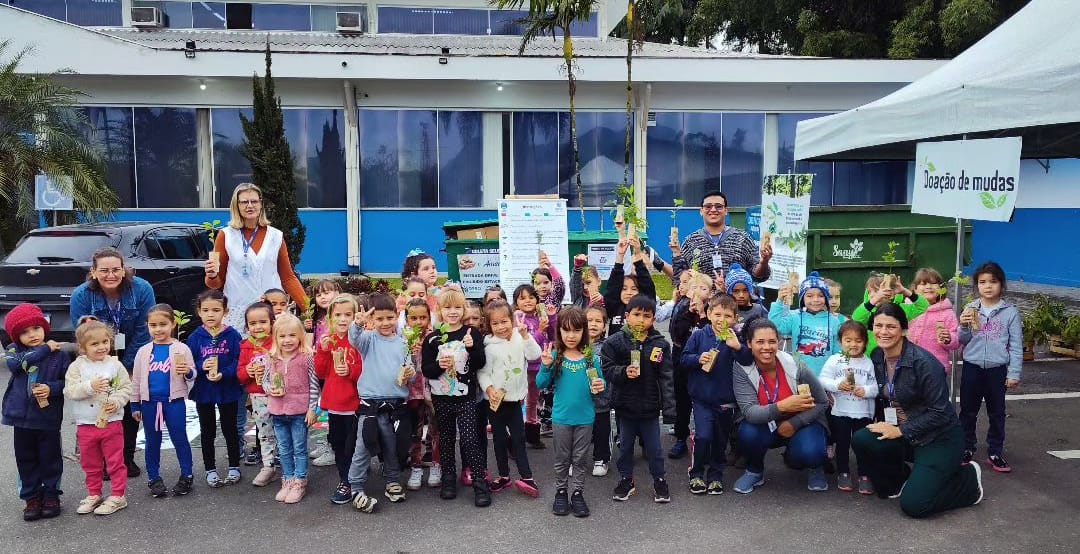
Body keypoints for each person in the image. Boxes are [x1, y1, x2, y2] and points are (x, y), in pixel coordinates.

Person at [852, 303, 984, 518]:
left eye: (891, 327)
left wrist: (900, 430)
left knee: (915, 505)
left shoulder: (924, 363)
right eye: (878, 325)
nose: (883, 332)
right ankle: (898, 481)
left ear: (904, 330)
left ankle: (968, 480)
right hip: (906, 432)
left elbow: (940, 412)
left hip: (938, 438)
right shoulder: (877, 356)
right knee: (862, 439)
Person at [71, 246, 156, 478]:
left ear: (124, 269)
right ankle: (102, 461)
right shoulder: (81, 295)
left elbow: (144, 331)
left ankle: (125, 458)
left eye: (116, 270)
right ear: (94, 272)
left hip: (132, 351)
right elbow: (83, 334)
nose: (111, 275)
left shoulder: (142, 289)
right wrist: (105, 365)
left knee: (128, 405)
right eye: (104, 270)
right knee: (100, 402)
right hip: (96, 353)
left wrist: (125, 367)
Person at [732, 318, 830, 494]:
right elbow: (749, 411)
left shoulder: (795, 365)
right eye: (760, 342)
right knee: (748, 432)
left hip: (801, 422)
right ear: (749, 344)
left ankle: (814, 467)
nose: (767, 347)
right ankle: (755, 470)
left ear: (779, 342)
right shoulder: (741, 368)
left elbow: (822, 401)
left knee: (811, 452)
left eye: (772, 341)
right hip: (765, 424)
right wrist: (783, 406)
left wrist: (795, 423)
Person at [203, 182, 308, 332]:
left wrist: (308, 310)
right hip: (238, 311)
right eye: (244, 202)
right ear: (236, 206)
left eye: (254, 201)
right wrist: (212, 275)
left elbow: (288, 278)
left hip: (271, 311)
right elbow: (216, 283)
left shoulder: (275, 236)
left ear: (261, 204)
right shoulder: (225, 235)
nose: (250, 206)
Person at [601, 295, 675, 504]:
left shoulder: (660, 344)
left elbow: (667, 378)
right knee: (625, 447)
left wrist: (669, 410)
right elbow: (607, 369)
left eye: (646, 316)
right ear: (627, 316)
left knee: (655, 448)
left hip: (650, 407)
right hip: (625, 406)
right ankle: (626, 479)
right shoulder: (615, 342)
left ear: (654, 319)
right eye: (636, 315)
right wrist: (623, 371)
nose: (641, 320)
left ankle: (659, 479)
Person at [346, 293, 415, 512]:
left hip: (395, 405)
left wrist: (411, 373)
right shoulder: (368, 339)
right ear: (372, 320)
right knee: (364, 446)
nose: (385, 323)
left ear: (397, 316)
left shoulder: (404, 342)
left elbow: (410, 371)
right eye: (379, 319)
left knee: (393, 446)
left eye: (390, 318)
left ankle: (392, 480)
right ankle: (355, 486)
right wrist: (358, 323)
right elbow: (353, 339)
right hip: (371, 406)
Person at [420, 288, 489, 506]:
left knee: (470, 440)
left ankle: (479, 482)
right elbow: (427, 370)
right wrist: (439, 365)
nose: (453, 312)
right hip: (441, 399)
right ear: (439, 310)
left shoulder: (471, 333)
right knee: (446, 439)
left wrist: (472, 349)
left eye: (457, 307)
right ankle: (448, 479)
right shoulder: (433, 338)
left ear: (464, 309)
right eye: (447, 307)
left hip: (466, 398)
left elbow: (479, 363)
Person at [679, 294, 752, 495]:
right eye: (717, 314)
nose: (722, 319)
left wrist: (737, 347)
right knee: (703, 436)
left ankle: (716, 475)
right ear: (709, 314)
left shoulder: (735, 338)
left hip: (726, 401)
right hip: (701, 398)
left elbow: (747, 361)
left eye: (727, 316)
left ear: (735, 318)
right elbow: (683, 360)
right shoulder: (699, 336)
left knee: (720, 440)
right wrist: (697, 358)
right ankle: (696, 473)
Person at [3, 303, 69, 520]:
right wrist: (45, 349)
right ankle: (31, 497)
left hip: (48, 418)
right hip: (21, 419)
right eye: (25, 332)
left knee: (51, 459)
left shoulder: (59, 355)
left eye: (36, 328)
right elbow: (17, 366)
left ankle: (51, 494)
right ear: (16, 336)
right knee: (26, 460)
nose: (32, 334)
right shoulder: (14, 351)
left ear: (44, 327)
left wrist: (52, 388)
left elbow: (67, 382)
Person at [538, 307, 605, 517]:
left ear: (583, 331)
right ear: (559, 331)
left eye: (576, 330)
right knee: (561, 459)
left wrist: (599, 384)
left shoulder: (590, 358)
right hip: (561, 419)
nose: (571, 335)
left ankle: (577, 493)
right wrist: (545, 366)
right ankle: (561, 492)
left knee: (580, 459)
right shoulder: (556, 356)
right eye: (566, 330)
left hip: (585, 418)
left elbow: (599, 382)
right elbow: (541, 383)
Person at [959, 261, 1023, 472]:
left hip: (997, 370)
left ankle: (995, 451)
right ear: (977, 285)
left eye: (993, 282)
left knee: (997, 412)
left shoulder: (1010, 312)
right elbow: (963, 339)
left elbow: (1016, 345)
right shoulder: (971, 308)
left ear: (1001, 285)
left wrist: (1013, 373)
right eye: (982, 282)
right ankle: (966, 447)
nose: (987, 286)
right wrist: (963, 325)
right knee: (968, 411)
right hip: (972, 367)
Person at [65, 320, 132, 515]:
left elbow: (125, 388)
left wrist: (117, 402)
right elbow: (70, 391)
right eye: (95, 344)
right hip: (86, 424)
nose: (102, 347)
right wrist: (89, 387)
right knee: (90, 462)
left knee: (115, 461)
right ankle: (94, 493)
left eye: (105, 342)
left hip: (112, 422)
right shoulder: (76, 367)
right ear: (82, 347)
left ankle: (118, 495)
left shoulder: (115, 365)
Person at [130, 304, 196, 498]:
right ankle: (154, 477)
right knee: (152, 440)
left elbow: (193, 373)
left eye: (163, 324)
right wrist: (135, 404)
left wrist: (188, 372)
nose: (158, 329)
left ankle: (187, 474)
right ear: (147, 326)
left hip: (174, 402)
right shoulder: (143, 351)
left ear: (173, 324)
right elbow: (136, 380)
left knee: (179, 437)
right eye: (153, 325)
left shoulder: (181, 349)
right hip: (150, 403)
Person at [479, 300, 542, 498]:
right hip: (495, 403)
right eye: (495, 323)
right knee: (499, 440)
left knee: (519, 439)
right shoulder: (489, 346)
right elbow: (483, 373)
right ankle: (504, 476)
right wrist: (489, 389)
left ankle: (527, 477)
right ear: (489, 325)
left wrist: (526, 336)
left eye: (504, 321)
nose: (501, 327)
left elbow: (535, 355)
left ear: (512, 320)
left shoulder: (519, 338)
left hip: (515, 401)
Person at [187, 290, 244, 488]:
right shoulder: (195, 337)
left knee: (230, 428)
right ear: (199, 312)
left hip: (227, 389)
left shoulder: (232, 335)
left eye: (216, 310)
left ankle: (234, 466)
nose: (210, 314)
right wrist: (201, 365)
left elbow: (239, 360)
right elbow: (190, 364)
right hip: (204, 391)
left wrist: (224, 373)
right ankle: (210, 469)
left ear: (225, 312)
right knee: (207, 430)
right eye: (206, 310)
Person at [263, 314, 319, 504]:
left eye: (292, 335)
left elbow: (314, 385)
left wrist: (312, 409)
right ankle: (287, 479)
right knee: (284, 448)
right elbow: (265, 381)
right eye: (282, 336)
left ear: (300, 336)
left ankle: (300, 481)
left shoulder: (306, 358)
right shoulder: (271, 358)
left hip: (299, 412)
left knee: (299, 448)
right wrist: (269, 389)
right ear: (275, 337)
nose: (287, 340)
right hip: (278, 411)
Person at [314, 294, 364, 504]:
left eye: (348, 315)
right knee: (338, 443)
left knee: (355, 445)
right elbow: (320, 372)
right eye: (338, 315)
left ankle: (354, 478)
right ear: (330, 317)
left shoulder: (359, 340)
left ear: (355, 316)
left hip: (355, 403)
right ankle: (345, 479)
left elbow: (366, 370)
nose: (343, 319)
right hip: (335, 404)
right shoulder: (329, 340)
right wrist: (324, 352)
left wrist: (351, 371)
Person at [818, 320, 877, 494]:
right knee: (842, 443)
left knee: (862, 444)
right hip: (840, 411)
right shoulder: (835, 360)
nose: (853, 344)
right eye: (848, 340)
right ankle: (843, 472)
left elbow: (876, 387)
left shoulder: (868, 363)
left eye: (858, 340)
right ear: (840, 341)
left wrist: (865, 390)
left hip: (863, 412)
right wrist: (837, 385)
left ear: (865, 342)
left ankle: (864, 474)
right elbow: (822, 380)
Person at [673, 190, 772, 286]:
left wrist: (764, 261)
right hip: (701, 297)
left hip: (736, 296)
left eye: (718, 206)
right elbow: (680, 278)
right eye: (708, 206)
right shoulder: (691, 242)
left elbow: (758, 276)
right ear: (701, 211)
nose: (713, 210)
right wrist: (663, 263)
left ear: (726, 210)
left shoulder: (743, 238)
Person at [667, 270, 713, 459]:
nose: (698, 291)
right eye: (694, 287)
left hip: (705, 365)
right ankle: (681, 438)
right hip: (683, 363)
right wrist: (689, 313)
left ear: (710, 293)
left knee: (704, 402)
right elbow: (677, 334)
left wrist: (702, 314)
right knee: (682, 402)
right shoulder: (682, 309)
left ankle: (706, 440)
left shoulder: (712, 311)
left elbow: (710, 336)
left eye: (703, 288)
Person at [769, 271, 843, 376]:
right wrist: (779, 301)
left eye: (821, 295)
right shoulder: (794, 317)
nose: (815, 300)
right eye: (809, 296)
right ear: (802, 298)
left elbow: (838, 353)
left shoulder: (834, 321)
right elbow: (776, 326)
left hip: (825, 377)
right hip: (799, 376)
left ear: (826, 298)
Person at [237, 302, 279, 486]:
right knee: (264, 432)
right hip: (258, 397)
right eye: (253, 323)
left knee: (284, 431)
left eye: (263, 322)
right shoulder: (246, 346)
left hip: (280, 395)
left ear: (272, 322)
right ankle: (268, 466)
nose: (258, 327)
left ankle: (290, 465)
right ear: (247, 326)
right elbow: (240, 375)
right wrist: (248, 371)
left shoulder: (278, 342)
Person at [402, 299, 439, 490]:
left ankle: (436, 464)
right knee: (414, 431)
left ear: (429, 318)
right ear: (407, 320)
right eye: (414, 318)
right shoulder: (402, 338)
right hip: (412, 391)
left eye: (423, 317)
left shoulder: (435, 337)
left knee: (435, 429)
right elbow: (402, 364)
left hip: (433, 390)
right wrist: (410, 351)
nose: (419, 322)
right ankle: (416, 466)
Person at [513, 284, 555, 449]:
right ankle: (516, 436)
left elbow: (552, 336)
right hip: (523, 367)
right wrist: (539, 331)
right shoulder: (518, 318)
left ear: (537, 300)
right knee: (519, 401)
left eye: (531, 297)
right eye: (522, 298)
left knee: (533, 400)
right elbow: (525, 345)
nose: (528, 301)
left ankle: (532, 434)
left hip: (538, 367)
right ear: (516, 302)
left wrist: (551, 318)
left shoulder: (540, 316)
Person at [852, 273, 929, 354]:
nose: (872, 295)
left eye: (877, 291)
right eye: (869, 292)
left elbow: (923, 307)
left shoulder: (900, 309)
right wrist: (875, 299)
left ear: (891, 294)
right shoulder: (867, 310)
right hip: (871, 355)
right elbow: (856, 318)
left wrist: (904, 291)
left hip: (897, 354)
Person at [907, 268, 960, 373]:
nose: (928, 286)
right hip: (908, 365)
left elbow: (956, 341)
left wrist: (949, 338)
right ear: (915, 289)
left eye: (933, 283)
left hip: (935, 366)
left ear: (941, 288)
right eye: (923, 284)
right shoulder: (907, 308)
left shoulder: (947, 313)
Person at [603, 234, 657, 336]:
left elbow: (647, 285)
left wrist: (637, 254)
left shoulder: (645, 306)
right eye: (624, 289)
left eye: (633, 289)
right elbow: (613, 287)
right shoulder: (615, 307)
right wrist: (620, 256)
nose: (629, 293)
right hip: (617, 346)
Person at [585, 305, 612, 476]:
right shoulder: (575, 345)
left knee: (602, 430)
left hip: (602, 399)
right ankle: (576, 459)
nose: (593, 324)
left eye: (598, 321)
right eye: (589, 320)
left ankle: (601, 459)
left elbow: (611, 371)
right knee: (580, 432)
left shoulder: (608, 346)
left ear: (604, 325)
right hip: (582, 399)